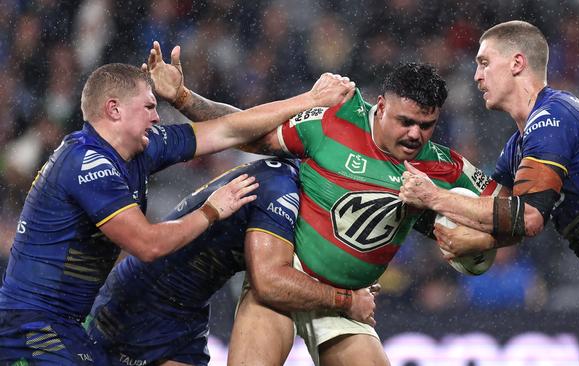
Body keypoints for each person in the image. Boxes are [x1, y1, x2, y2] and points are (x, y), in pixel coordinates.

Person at [149, 43, 503, 365]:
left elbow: (513, 214)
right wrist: (182, 97)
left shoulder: (444, 166)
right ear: (380, 107)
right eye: (405, 122)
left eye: (426, 126)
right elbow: (244, 131)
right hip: (286, 282)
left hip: (347, 306)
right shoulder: (334, 119)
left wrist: (483, 240)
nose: (415, 135)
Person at [0, 57, 355, 364]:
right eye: (149, 107)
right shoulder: (87, 164)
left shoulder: (139, 149)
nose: (157, 118)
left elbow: (230, 130)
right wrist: (212, 211)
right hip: (29, 324)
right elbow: (148, 244)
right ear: (114, 109)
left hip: (64, 322)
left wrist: (308, 101)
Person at [399, 20, 579, 364]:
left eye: (484, 62)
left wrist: (433, 197)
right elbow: (501, 217)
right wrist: (466, 238)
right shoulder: (518, 147)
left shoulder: (553, 117)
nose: (476, 76)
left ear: (517, 63)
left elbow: (527, 217)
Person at [84, 157, 379, 366]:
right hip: (140, 303)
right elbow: (268, 281)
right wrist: (347, 300)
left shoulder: (293, 184)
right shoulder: (282, 190)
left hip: (187, 314)